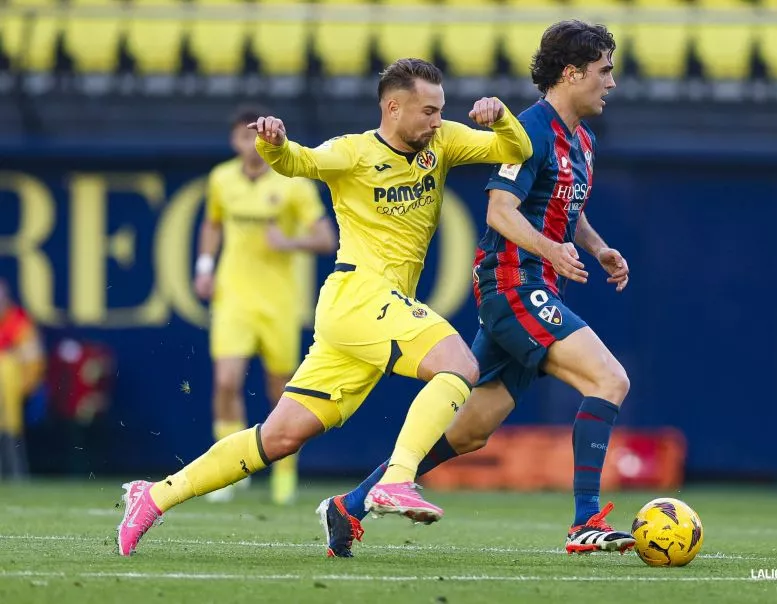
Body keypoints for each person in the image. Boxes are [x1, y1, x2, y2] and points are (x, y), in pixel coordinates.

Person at [116, 57, 532, 556]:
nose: (437, 120)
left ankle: (155, 495)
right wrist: (274, 144)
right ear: (393, 107)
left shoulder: (441, 142)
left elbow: (516, 149)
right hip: (361, 295)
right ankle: (395, 479)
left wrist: (501, 116)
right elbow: (299, 162)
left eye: (441, 110)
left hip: (368, 311)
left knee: (280, 437)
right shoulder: (353, 152)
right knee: (459, 366)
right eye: (428, 111)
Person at [319, 20, 635, 558]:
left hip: (535, 284)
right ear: (571, 72)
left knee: (469, 433)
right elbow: (500, 210)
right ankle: (585, 521)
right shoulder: (529, 130)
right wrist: (549, 250)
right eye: (604, 71)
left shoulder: (581, 139)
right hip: (513, 283)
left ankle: (350, 505)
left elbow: (564, 206)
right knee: (609, 380)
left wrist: (596, 245)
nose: (611, 83)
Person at [194, 105, 338, 505]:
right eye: (243, 137)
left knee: (282, 392)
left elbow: (326, 239)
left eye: (255, 137)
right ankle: (227, 470)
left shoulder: (292, 182)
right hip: (233, 297)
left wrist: (289, 243)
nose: (251, 146)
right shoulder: (221, 179)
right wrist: (205, 266)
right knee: (226, 381)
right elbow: (212, 223)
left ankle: (284, 472)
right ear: (234, 141)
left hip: (278, 302)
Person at [0, 278, 45, 479]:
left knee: (6, 367)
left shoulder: (19, 323)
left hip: (17, 395)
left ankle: (14, 471)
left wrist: (20, 389)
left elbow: (33, 365)